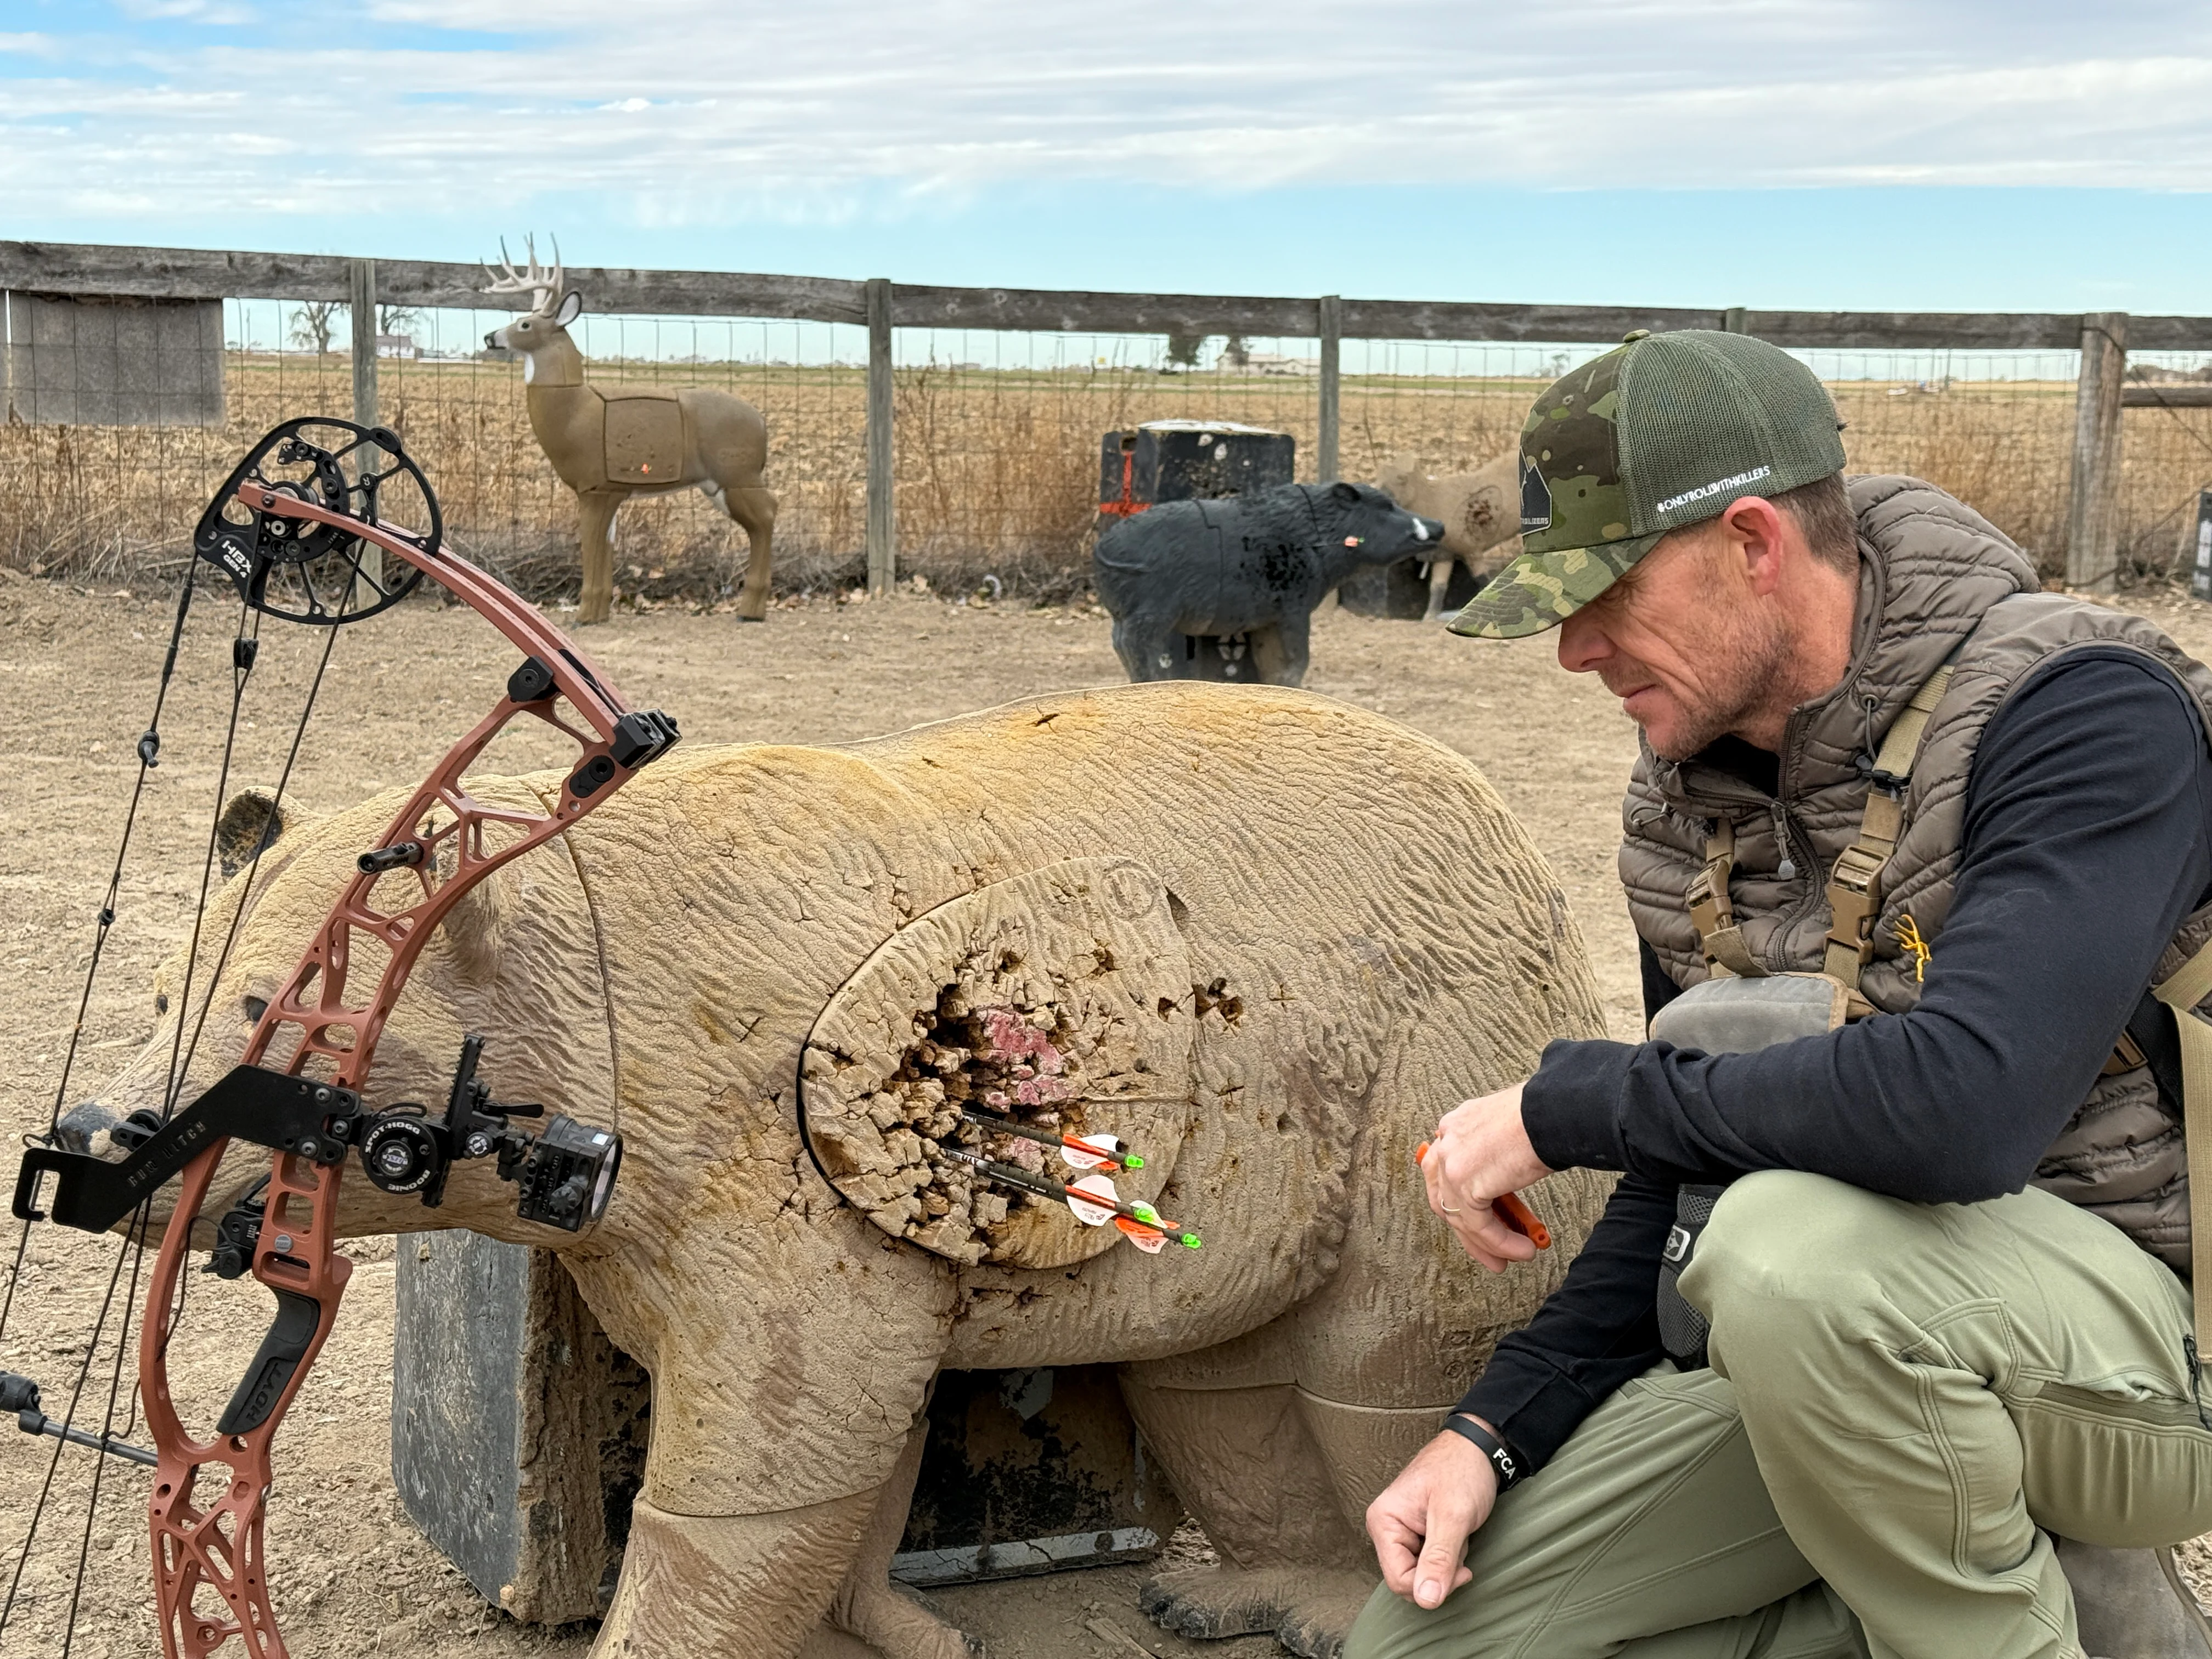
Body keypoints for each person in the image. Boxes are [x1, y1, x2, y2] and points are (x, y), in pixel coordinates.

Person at [1347, 328, 2212, 1659]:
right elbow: (1690, 1144)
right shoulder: (1681, 795)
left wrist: (1572, 1102)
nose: (1575, 651)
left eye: (1606, 593)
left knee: (1792, 1258)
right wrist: (1492, 1429)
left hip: (2155, 1357)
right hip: (1855, 1355)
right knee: (1427, 1643)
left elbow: (1964, 1114)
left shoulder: (2081, 711)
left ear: (1752, 543)